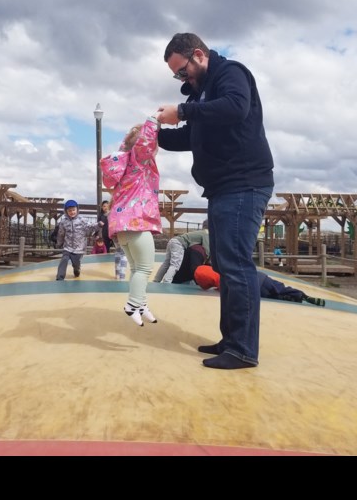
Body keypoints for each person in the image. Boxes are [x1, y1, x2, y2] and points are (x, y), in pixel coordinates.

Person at [156, 32, 274, 370]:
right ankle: (231, 340)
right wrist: (154, 136)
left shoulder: (230, 73)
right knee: (225, 266)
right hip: (223, 188)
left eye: (183, 71)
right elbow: (191, 137)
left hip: (244, 183)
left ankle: (242, 349)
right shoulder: (203, 94)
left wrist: (181, 110)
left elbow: (235, 108)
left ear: (198, 55)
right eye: (177, 76)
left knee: (236, 265)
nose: (182, 79)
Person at [101, 115, 162, 326]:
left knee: (136, 268)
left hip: (123, 226)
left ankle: (141, 303)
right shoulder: (139, 161)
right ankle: (132, 304)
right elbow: (144, 143)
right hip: (136, 221)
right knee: (145, 268)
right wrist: (155, 120)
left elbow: (133, 144)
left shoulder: (125, 163)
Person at [193, 265, 326, 306]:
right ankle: (301, 295)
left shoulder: (221, 282)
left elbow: (212, 287)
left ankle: (290, 297)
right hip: (258, 276)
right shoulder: (221, 269)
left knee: (273, 295)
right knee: (280, 288)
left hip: (252, 286)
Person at [55, 200, 101, 281]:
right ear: (66, 211)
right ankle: (60, 278)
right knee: (64, 259)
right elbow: (61, 233)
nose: (72, 212)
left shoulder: (82, 220)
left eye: (73, 210)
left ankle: (77, 270)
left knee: (76, 264)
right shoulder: (63, 222)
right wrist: (59, 243)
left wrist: (99, 225)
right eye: (69, 211)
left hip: (79, 248)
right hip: (67, 247)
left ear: (77, 209)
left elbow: (90, 226)